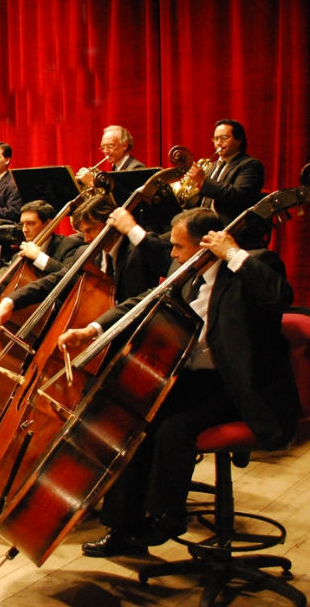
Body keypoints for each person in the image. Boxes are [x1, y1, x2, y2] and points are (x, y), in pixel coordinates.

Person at [57, 208, 298, 557]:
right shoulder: (184, 272)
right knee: (134, 422)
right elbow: (143, 301)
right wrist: (93, 330)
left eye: (179, 246)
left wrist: (232, 252)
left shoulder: (252, 265)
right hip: (192, 379)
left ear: (206, 244)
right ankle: (122, 528)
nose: (172, 253)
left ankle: (167, 516)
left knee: (174, 429)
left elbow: (280, 295)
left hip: (236, 386)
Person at [0, 194, 171, 329]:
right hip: (95, 328)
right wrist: (11, 300)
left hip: (134, 330)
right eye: (83, 232)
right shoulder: (87, 253)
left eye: (90, 230)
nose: (86, 239)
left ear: (110, 224)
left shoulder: (138, 250)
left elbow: (166, 266)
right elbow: (57, 280)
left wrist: (132, 229)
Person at [189, 118, 265, 225]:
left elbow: (238, 196)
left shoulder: (250, 165)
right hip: (202, 220)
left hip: (227, 224)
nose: (219, 143)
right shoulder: (213, 165)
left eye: (224, 138)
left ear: (239, 140)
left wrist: (203, 180)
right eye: (216, 139)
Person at [17, 200, 85, 274]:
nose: (24, 229)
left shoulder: (68, 245)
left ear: (48, 223)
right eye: (22, 224)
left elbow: (70, 275)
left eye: (30, 223)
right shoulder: (21, 255)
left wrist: (38, 257)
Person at [77, 124, 144, 187]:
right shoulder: (115, 167)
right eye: (103, 147)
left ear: (124, 146)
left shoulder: (136, 168)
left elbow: (125, 194)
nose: (106, 151)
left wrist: (93, 183)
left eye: (110, 146)